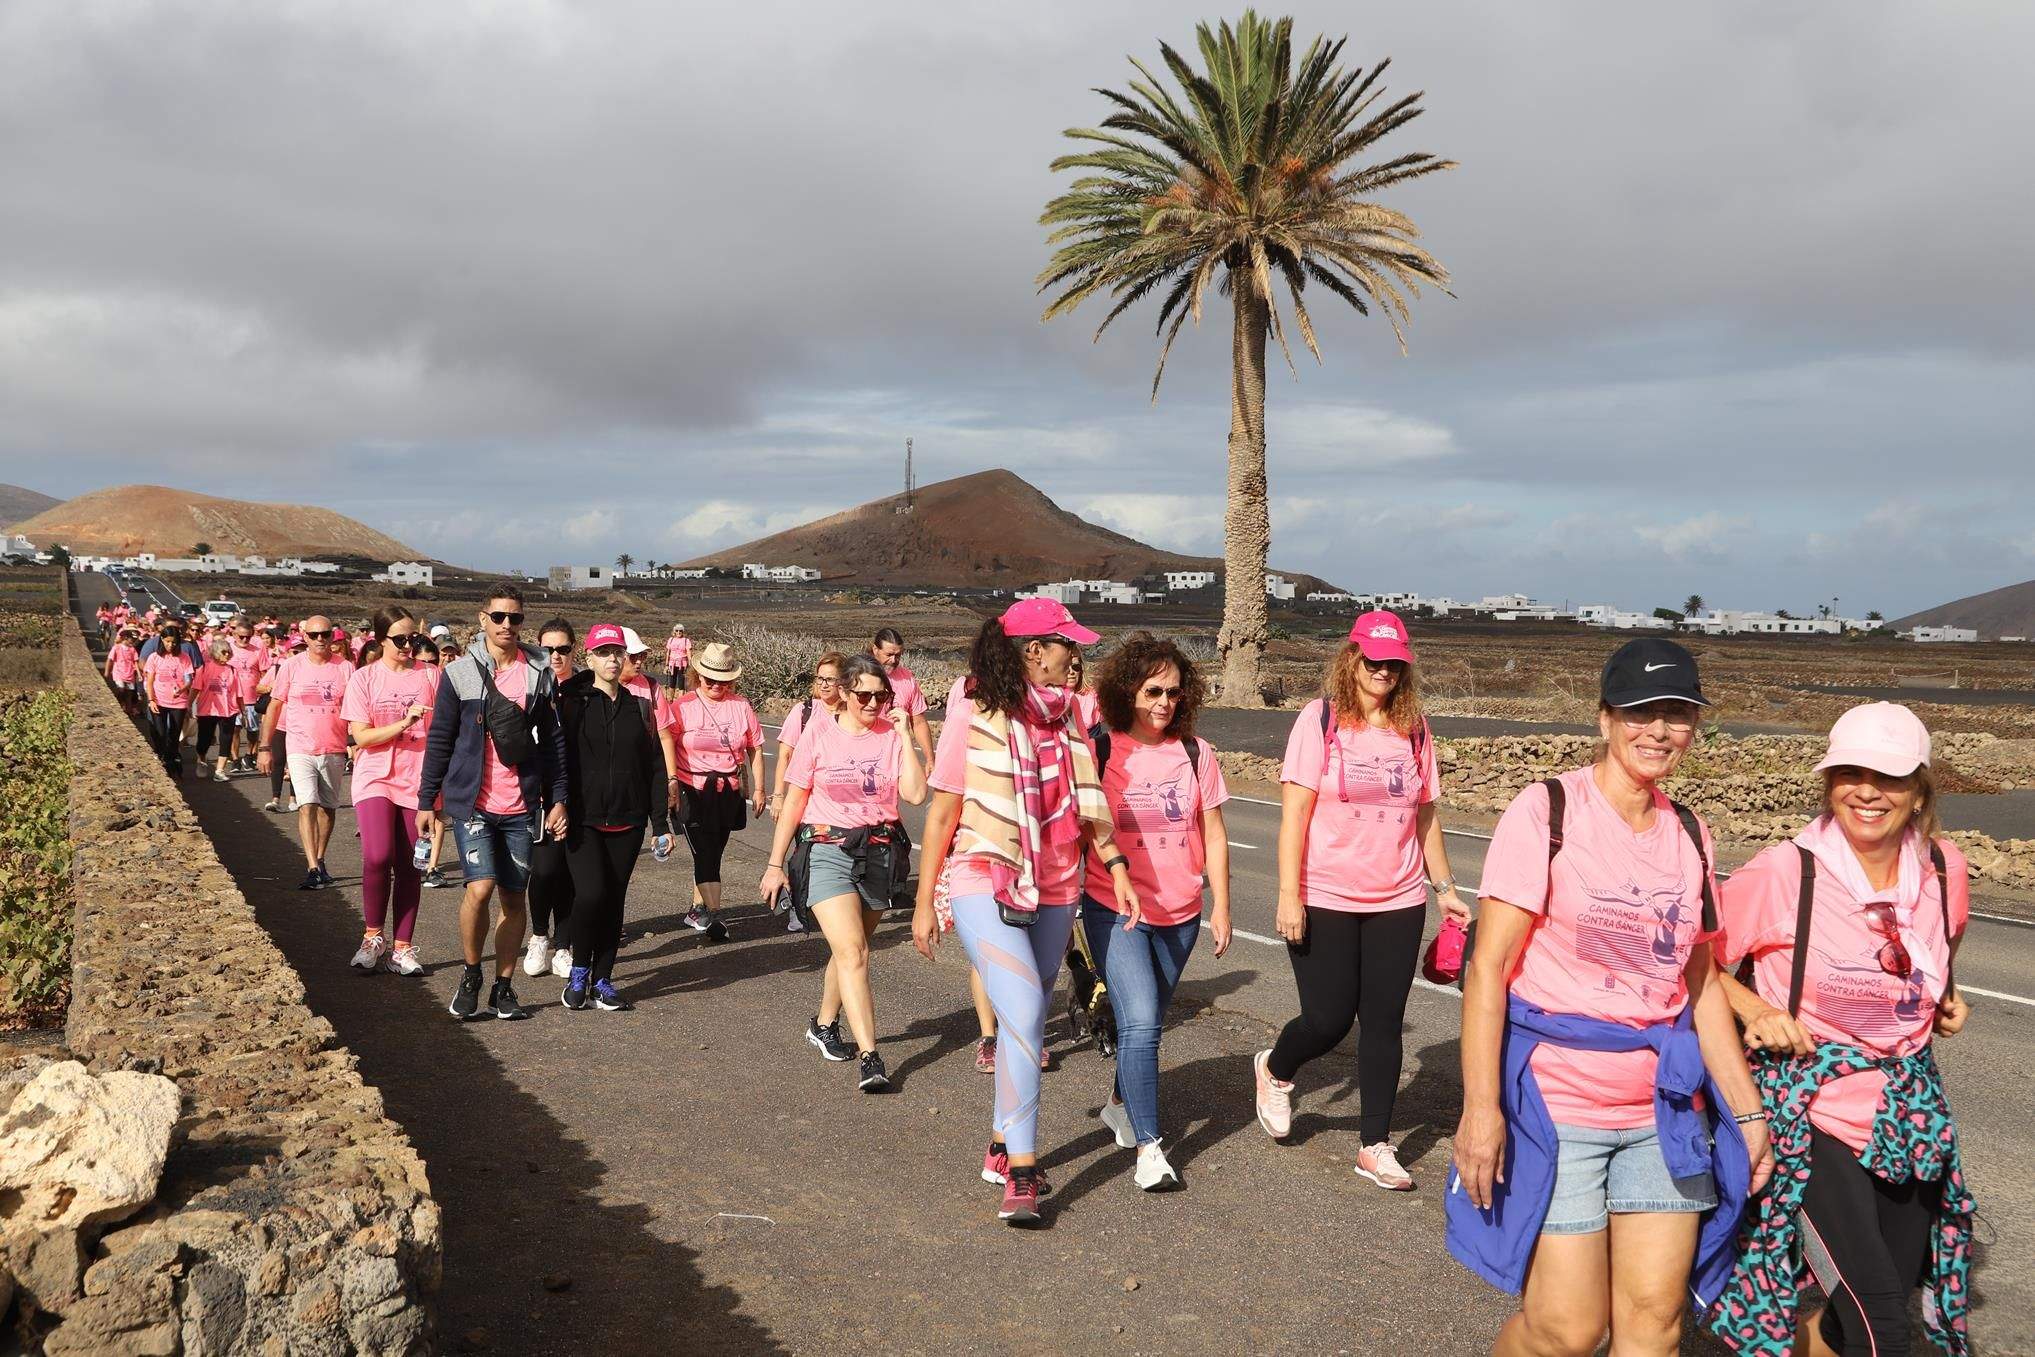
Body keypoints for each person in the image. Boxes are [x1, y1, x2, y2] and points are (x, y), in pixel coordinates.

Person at [1448, 638, 1773, 1357]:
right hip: (1557, 1108)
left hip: (1661, 1111)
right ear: (1604, 718)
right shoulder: (1548, 810)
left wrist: (1746, 1110)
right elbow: (1487, 969)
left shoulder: (1690, 832)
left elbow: (1699, 985)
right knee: (1566, 1330)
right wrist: (1479, 1109)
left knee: (1653, 1326)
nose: (1659, 730)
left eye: (1677, 714)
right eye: (1641, 711)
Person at [1707, 703, 1975, 1357]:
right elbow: (1693, 960)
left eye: (1886, 775)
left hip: (1905, 1112)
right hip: (1809, 1110)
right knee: (1882, 1321)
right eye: (1849, 771)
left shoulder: (1944, 869)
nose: (1866, 790)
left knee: (1853, 1311)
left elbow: (1939, 949)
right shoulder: (1785, 870)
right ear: (1828, 780)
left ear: (1917, 787)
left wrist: (1947, 994)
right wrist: (1753, 1009)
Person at [911, 598, 1141, 1226]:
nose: (1078, 656)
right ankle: (1023, 1169)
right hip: (984, 878)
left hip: (1058, 885)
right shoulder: (974, 717)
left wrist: (1116, 868)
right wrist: (924, 902)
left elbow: (1089, 811)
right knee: (1025, 1009)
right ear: (1034, 649)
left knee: (1026, 1020)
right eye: (1069, 644)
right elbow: (941, 813)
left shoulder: (1069, 721)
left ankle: (999, 1138)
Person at [1252, 610, 1473, 1190]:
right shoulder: (1319, 720)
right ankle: (1276, 1069)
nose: (1383, 670)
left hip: (1397, 898)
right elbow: (1294, 815)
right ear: (1351, 658)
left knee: (1383, 1022)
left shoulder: (1415, 728)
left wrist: (1445, 890)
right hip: (1324, 892)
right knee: (1327, 1019)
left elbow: (1425, 817)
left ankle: (1375, 1144)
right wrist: (1288, 896)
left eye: (1394, 662)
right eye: (1373, 659)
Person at [1083, 633, 1232, 1190]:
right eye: (1152, 691)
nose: (1164, 703)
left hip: (1182, 910)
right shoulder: (1100, 748)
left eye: (1173, 692)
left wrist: (1221, 905)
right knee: (1142, 1021)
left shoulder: (1196, 753)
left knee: (1145, 1025)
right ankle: (1150, 1148)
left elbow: (1212, 833)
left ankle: (1121, 1103)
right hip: (1112, 905)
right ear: (1128, 692)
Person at [758, 654, 927, 1091]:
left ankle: (823, 1023)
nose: (873, 703)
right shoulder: (819, 732)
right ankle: (871, 1056)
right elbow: (795, 800)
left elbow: (914, 792)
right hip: (827, 848)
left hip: (879, 851)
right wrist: (776, 864)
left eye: (881, 695)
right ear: (847, 693)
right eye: (864, 695)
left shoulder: (891, 735)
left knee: (852, 949)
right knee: (854, 952)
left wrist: (906, 733)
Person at [417, 586, 567, 1022]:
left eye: (515, 619)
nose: (507, 625)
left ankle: (504, 985)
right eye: (499, 617)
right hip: (474, 803)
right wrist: (428, 799)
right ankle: (470, 974)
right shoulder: (459, 673)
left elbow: (554, 742)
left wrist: (558, 799)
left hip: (522, 804)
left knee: (514, 899)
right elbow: (440, 738)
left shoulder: (539, 671)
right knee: (479, 889)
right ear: (482, 619)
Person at [555, 624, 674, 1013]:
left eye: (616, 652)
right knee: (590, 895)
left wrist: (661, 825)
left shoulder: (638, 707)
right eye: (603, 652)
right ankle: (578, 971)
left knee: (614, 901)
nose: (611, 659)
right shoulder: (572, 702)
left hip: (628, 821)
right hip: (583, 819)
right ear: (588, 658)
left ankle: (603, 979)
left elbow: (655, 767)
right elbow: (557, 758)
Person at [340, 606, 438, 977]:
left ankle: (401, 947)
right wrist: (405, 722)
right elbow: (361, 736)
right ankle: (372, 936)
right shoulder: (364, 679)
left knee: (411, 864)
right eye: (400, 639)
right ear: (380, 640)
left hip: (417, 780)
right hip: (375, 777)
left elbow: (445, 729)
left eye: (414, 638)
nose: (408, 645)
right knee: (378, 855)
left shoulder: (431, 675)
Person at [665, 642, 764, 940]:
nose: (716, 685)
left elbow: (755, 748)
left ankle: (698, 908)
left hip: (727, 791)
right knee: (704, 853)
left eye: (723, 680)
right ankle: (716, 919)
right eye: (710, 679)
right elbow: (666, 746)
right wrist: (668, 782)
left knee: (714, 853)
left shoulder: (741, 706)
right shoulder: (682, 707)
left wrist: (760, 789)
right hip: (691, 790)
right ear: (698, 676)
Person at [258, 615, 356, 891]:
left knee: (328, 808)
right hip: (300, 746)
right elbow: (274, 707)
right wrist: (265, 747)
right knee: (307, 804)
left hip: (334, 747)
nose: (320, 640)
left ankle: (321, 858)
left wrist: (356, 741)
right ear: (305, 637)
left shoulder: (346, 668)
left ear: (332, 636)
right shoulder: (291, 666)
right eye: (314, 635)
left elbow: (357, 707)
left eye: (325, 634)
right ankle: (312, 866)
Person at [768, 651, 847, 933]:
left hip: (831, 802)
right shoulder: (803, 712)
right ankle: (795, 905)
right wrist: (778, 796)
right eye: (820, 679)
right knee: (798, 853)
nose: (824, 685)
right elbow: (785, 754)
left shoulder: (851, 714)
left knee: (819, 853)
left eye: (831, 679)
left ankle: (826, 902)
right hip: (800, 798)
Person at [524, 619, 579, 979]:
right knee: (543, 870)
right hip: (539, 795)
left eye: (562, 649)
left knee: (570, 873)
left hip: (579, 794)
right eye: (548, 650)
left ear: (575, 649)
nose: (555, 656)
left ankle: (564, 944)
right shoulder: (530, 687)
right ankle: (539, 935)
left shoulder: (584, 690)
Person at [871, 627, 935, 773]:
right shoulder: (860, 673)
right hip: (864, 754)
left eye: (898, 655)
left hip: (896, 756)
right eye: (889, 654)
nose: (893, 660)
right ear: (875, 650)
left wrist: (930, 759)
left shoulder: (907, 678)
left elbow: (918, 722)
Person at [141, 627, 196, 777]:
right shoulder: (154, 657)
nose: (170, 645)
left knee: (174, 733)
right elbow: (150, 681)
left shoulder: (184, 657)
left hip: (178, 702)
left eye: (174, 642)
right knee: (160, 733)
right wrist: (151, 700)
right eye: (167, 641)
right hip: (159, 699)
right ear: (162, 641)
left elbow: (188, 679)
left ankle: (171, 761)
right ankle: (162, 757)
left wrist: (182, 688)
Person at [192, 638, 241, 782]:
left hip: (228, 710)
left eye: (229, 652)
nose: (227, 655)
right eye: (224, 652)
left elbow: (238, 692)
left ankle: (219, 770)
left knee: (226, 739)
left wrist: (242, 710)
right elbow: (195, 689)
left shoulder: (232, 670)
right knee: (204, 740)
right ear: (215, 653)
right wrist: (189, 705)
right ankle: (201, 758)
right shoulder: (204, 668)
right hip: (208, 709)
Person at [227, 618, 271, 772]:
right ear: (234, 634)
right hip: (232, 698)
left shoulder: (258, 651)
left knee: (252, 731)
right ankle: (234, 758)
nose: (245, 639)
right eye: (241, 637)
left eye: (248, 637)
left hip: (252, 698)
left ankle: (249, 755)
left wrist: (265, 689)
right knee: (235, 730)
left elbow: (265, 672)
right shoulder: (228, 649)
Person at [105, 626, 142, 716]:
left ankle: (128, 710)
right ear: (126, 638)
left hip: (129, 674)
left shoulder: (132, 650)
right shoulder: (116, 648)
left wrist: (139, 674)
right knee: (121, 689)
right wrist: (107, 671)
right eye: (131, 639)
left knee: (129, 693)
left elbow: (136, 662)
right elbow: (110, 660)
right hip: (119, 673)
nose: (132, 641)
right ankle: (120, 703)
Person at [664, 622, 691, 692]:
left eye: (680, 630)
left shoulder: (686, 640)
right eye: (677, 630)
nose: (678, 632)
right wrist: (666, 665)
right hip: (671, 664)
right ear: (674, 631)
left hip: (682, 665)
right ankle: (670, 701)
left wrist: (690, 664)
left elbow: (688, 652)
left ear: (683, 631)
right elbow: (668, 652)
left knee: (681, 685)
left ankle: (681, 701)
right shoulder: (671, 639)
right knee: (671, 684)